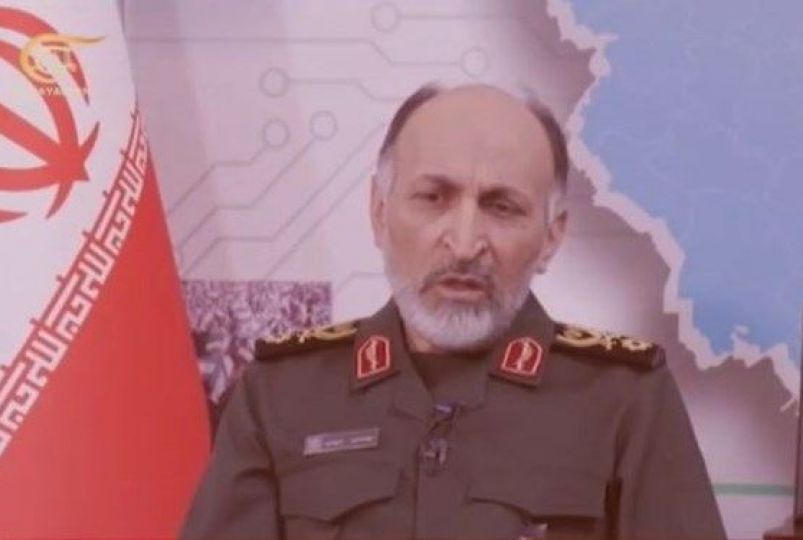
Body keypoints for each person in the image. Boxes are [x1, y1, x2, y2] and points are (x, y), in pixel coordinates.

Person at [180, 83, 725, 539]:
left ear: (552, 237)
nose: (464, 243)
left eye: (501, 207)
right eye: (433, 198)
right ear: (379, 213)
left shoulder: (623, 398)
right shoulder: (282, 393)